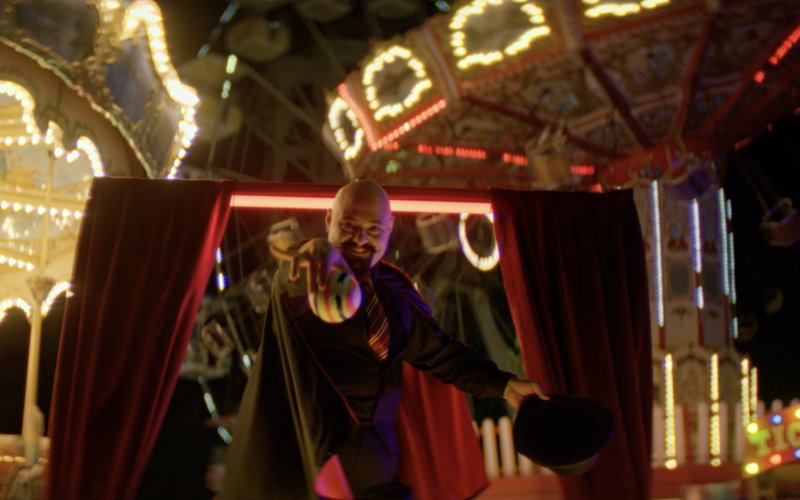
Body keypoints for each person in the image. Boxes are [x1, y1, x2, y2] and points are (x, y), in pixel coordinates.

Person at [223, 180, 547, 499]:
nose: (360, 239)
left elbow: (441, 352)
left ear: (390, 227)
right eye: (348, 226)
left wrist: (504, 385)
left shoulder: (394, 291)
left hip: (380, 469)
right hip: (314, 471)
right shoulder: (306, 278)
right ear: (328, 219)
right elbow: (299, 273)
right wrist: (315, 252)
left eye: (374, 229)